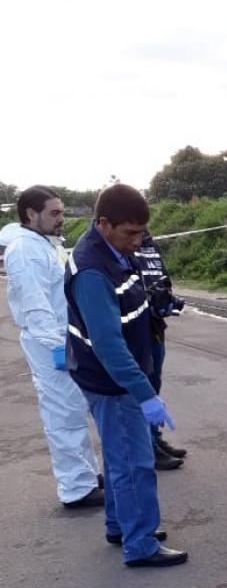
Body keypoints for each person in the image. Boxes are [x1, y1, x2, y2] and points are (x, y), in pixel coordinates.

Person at [64, 184, 187, 567]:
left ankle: (121, 526)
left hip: (118, 378)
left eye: (141, 232)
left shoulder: (114, 252)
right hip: (112, 381)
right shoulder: (92, 270)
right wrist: (143, 393)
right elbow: (108, 345)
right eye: (130, 233)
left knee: (121, 457)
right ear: (103, 224)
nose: (138, 240)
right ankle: (140, 543)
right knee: (135, 462)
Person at [3, 187, 103, 509]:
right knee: (64, 415)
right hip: (52, 344)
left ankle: (85, 475)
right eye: (54, 213)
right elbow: (36, 307)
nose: (61, 219)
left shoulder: (44, 243)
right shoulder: (26, 250)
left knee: (73, 410)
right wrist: (58, 349)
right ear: (31, 214)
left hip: (63, 338)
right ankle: (77, 488)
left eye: (62, 212)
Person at [133, 232, 187, 471]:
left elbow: (162, 278)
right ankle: (147, 448)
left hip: (155, 326)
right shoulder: (120, 243)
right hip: (135, 326)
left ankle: (154, 438)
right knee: (143, 388)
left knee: (154, 384)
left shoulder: (149, 244)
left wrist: (168, 300)